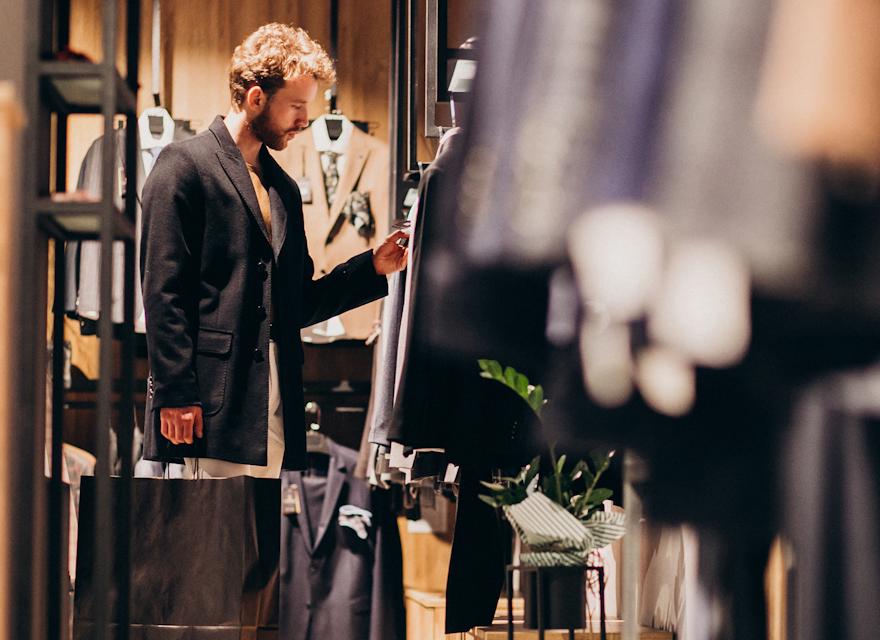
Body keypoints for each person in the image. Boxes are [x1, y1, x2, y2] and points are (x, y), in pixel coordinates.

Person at [140, 23, 407, 478]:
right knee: (207, 545)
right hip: (206, 404)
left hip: (273, 404)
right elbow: (163, 293)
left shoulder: (282, 186)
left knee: (258, 548)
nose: (305, 120)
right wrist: (175, 392)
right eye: (297, 106)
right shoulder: (183, 167)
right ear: (256, 97)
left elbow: (295, 303)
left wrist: (372, 269)